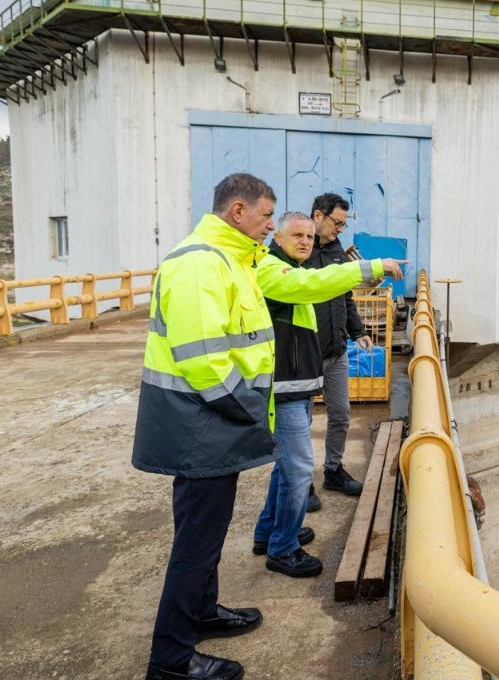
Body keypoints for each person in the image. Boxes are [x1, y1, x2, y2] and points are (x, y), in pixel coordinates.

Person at [133, 174, 398, 680]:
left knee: (206, 536)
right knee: (195, 544)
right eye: (267, 216)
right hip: (201, 422)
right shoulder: (200, 264)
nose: (271, 226)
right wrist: (252, 410)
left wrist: (362, 269)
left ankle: (202, 612)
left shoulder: (238, 260)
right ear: (238, 211)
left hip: (213, 422)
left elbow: (301, 286)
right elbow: (203, 361)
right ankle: (171, 661)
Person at [251, 212, 403, 579]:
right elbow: (315, 284)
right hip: (284, 387)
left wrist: (354, 327)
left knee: (286, 466)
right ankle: (283, 548)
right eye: (297, 235)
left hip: (298, 383)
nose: (305, 241)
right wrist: (370, 267)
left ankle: (269, 532)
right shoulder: (273, 270)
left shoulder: (294, 269)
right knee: (299, 469)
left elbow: (329, 292)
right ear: (278, 239)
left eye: (308, 236)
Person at [305, 192, 377, 507]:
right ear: (317, 216)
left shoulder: (336, 250)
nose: (340, 229)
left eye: (343, 224)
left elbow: (345, 295)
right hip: (305, 354)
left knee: (341, 414)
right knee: (300, 422)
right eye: (337, 222)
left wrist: (357, 331)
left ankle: (333, 470)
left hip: (336, 350)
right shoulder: (298, 251)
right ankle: (301, 482)